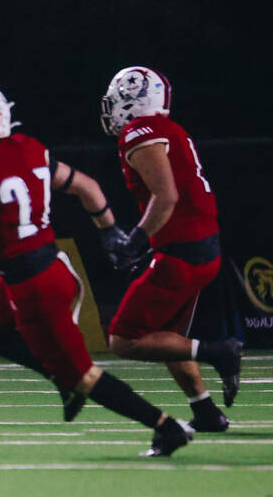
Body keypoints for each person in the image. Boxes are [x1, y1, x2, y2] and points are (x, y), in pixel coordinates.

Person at [0, 81, 195, 456]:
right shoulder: (29, 147)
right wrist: (109, 231)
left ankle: (167, 427)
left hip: (33, 286)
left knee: (85, 376)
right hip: (54, 266)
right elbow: (89, 188)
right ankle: (58, 377)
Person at [98, 66, 243, 431]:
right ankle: (206, 412)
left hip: (183, 251)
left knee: (123, 339)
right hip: (202, 247)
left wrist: (134, 240)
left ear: (133, 100)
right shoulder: (169, 129)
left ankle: (218, 352)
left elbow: (166, 196)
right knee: (165, 336)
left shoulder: (139, 131)